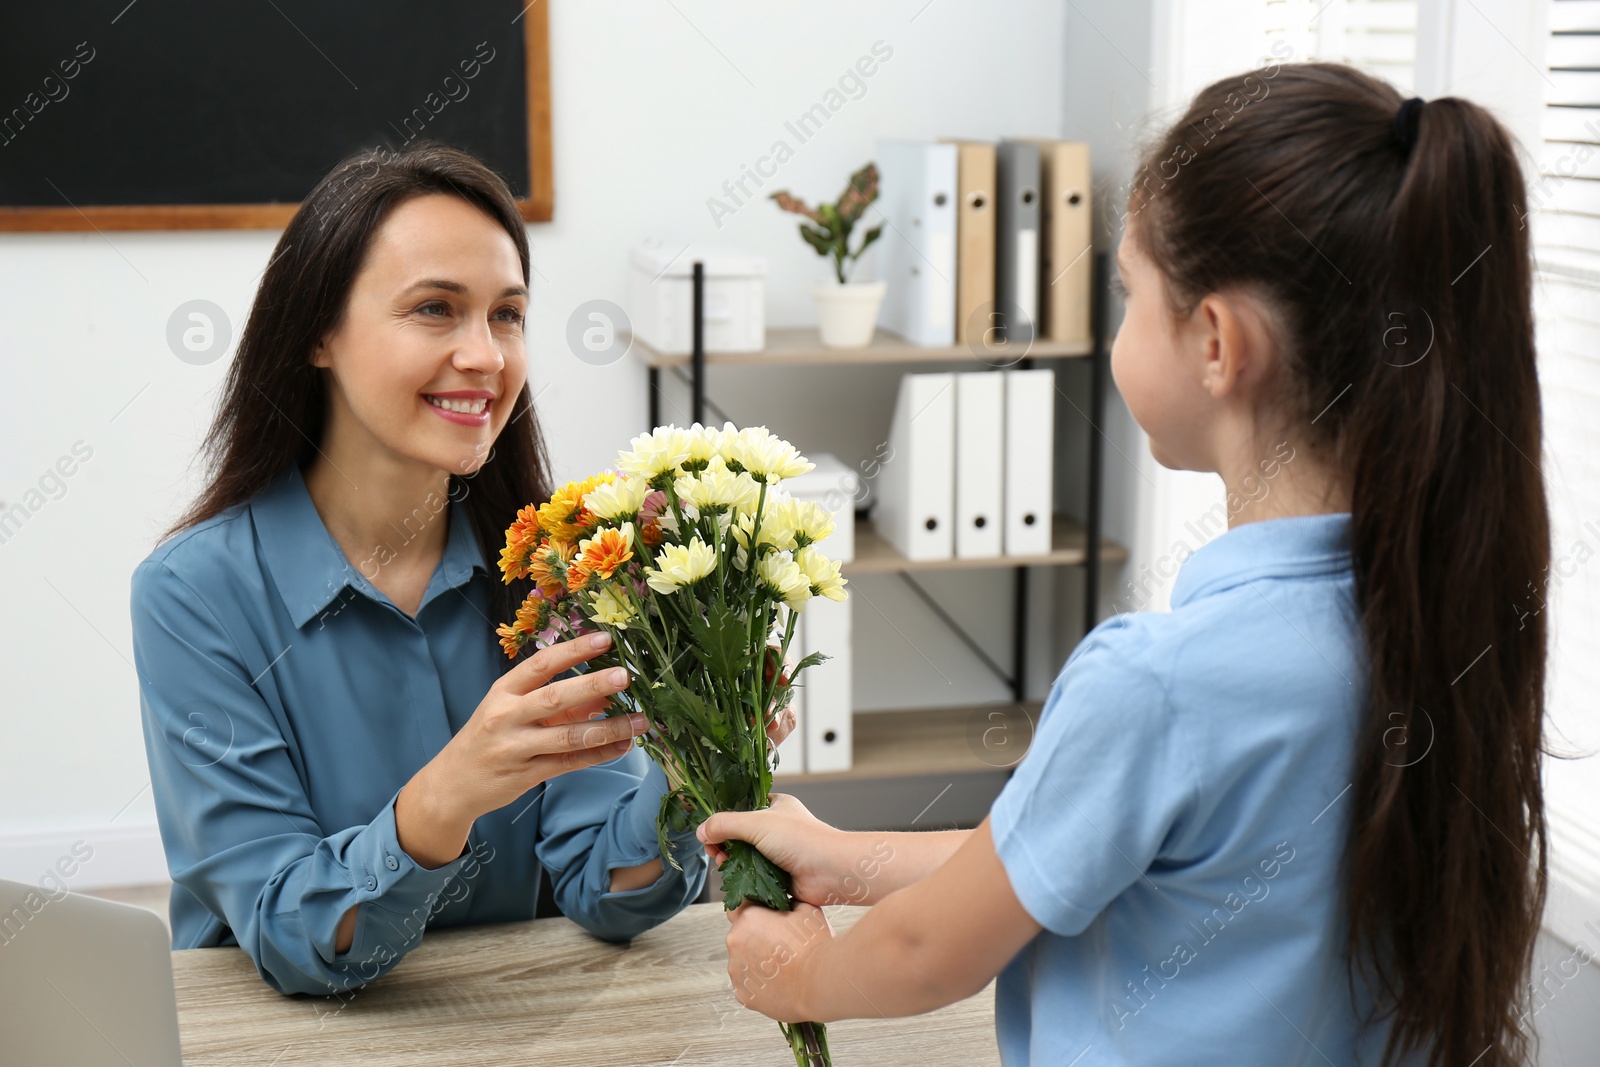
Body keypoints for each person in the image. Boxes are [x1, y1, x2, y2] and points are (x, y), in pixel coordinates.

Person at [699, 62, 1551, 1067]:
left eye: (1128, 293)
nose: (1114, 331)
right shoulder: (1432, 618)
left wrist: (798, 973)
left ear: (1217, 341)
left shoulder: (1157, 678)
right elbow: (1076, 846)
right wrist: (849, 860)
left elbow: (935, 949)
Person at [129, 141, 794, 997]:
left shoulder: (561, 568)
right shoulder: (194, 595)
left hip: (515, 1021)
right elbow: (292, 933)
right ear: (317, 335)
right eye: (435, 309)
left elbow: (606, 891)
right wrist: (444, 798)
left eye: (507, 314)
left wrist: (690, 767)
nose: (486, 356)